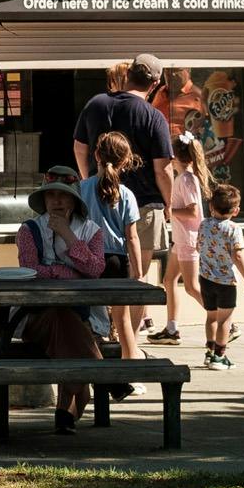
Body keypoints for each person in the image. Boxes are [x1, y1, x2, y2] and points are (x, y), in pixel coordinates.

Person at [11, 164, 116, 434]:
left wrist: (68, 237)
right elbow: (30, 271)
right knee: (60, 316)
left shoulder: (91, 231)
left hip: (85, 316)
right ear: (44, 200)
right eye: (51, 195)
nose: (57, 201)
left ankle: (64, 414)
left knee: (67, 321)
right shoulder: (29, 230)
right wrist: (66, 272)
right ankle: (102, 376)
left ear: (74, 200)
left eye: (63, 195)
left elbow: (95, 270)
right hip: (36, 316)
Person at [72, 56, 176, 324]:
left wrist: (91, 183)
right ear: (154, 84)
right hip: (143, 205)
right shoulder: (154, 116)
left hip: (98, 206)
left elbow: (79, 148)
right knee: (137, 280)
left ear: (127, 73)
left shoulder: (96, 104)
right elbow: (163, 170)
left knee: (94, 271)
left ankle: (102, 331)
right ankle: (129, 339)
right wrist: (169, 203)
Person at [85, 131, 147, 365]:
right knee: (122, 321)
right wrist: (138, 273)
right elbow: (132, 238)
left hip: (88, 258)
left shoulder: (82, 189)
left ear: (96, 155)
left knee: (89, 316)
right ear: (125, 161)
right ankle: (130, 367)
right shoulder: (127, 195)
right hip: (117, 260)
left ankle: (92, 365)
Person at [155, 130, 212, 344]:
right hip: (181, 239)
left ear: (175, 156)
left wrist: (170, 211)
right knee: (169, 280)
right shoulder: (183, 178)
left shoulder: (186, 180)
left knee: (191, 287)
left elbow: (193, 212)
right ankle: (171, 329)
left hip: (188, 239)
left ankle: (225, 320)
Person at [197, 181, 244, 369]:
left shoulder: (204, 224)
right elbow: (237, 255)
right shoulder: (233, 229)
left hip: (205, 278)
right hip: (225, 281)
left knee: (211, 317)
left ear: (211, 206)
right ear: (236, 210)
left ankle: (209, 351)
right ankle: (220, 356)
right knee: (224, 320)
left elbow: (198, 246)